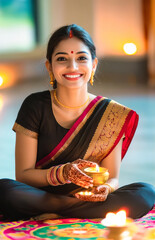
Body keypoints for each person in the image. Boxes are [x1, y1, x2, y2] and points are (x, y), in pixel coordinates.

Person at [0, 24, 154, 221]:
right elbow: (23, 175)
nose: (72, 67)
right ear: (49, 66)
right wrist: (62, 173)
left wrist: (104, 188)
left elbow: (112, 177)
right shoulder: (35, 105)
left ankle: (55, 213)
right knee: (4, 190)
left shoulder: (113, 113)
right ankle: (72, 210)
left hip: (86, 198)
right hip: (41, 195)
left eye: (81, 58)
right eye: (62, 59)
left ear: (94, 65)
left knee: (145, 192)